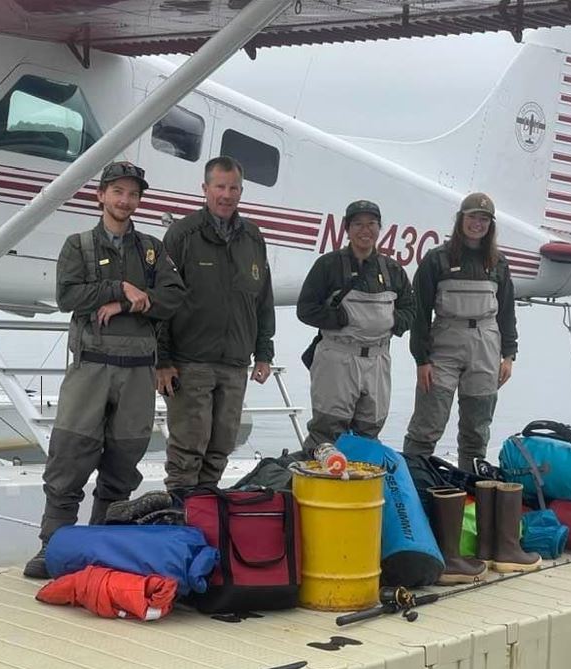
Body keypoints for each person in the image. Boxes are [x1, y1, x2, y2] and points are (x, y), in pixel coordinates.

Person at [24, 162, 185, 579]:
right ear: (101, 195)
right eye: (117, 192)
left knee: (122, 464)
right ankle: (53, 548)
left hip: (136, 375)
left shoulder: (152, 249)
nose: (125, 201)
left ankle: (99, 545)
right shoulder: (78, 246)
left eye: (133, 194)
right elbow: (67, 296)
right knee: (68, 461)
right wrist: (119, 287)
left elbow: (173, 297)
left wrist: (129, 303)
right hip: (90, 371)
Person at [155, 156, 275, 490]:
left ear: (241, 190)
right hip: (190, 362)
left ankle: (204, 513)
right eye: (219, 187)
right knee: (188, 449)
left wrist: (263, 353)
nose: (226, 194)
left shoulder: (253, 237)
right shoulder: (182, 234)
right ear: (205, 189)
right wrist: (161, 361)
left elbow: (262, 299)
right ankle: (179, 517)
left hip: (235, 364)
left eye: (233, 187)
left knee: (221, 446)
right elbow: (162, 301)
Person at [403, 192, 517, 470]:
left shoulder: (498, 263)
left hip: (486, 344)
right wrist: (422, 359)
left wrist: (509, 355)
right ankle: (414, 483)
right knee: (427, 425)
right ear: (460, 220)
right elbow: (419, 314)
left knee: (477, 429)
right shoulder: (436, 259)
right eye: (472, 217)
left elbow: (506, 312)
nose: (477, 224)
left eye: (484, 219)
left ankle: (471, 489)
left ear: (490, 225)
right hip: (445, 341)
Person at [296, 200, 414, 452]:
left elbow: (410, 308)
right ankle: (315, 487)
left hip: (377, 359)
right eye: (358, 224)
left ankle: (360, 489)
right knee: (326, 431)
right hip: (338, 357)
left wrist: (393, 322)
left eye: (371, 224)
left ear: (379, 228)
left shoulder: (393, 270)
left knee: (369, 430)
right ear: (347, 229)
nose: (365, 230)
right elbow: (305, 309)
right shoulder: (327, 265)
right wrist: (338, 319)